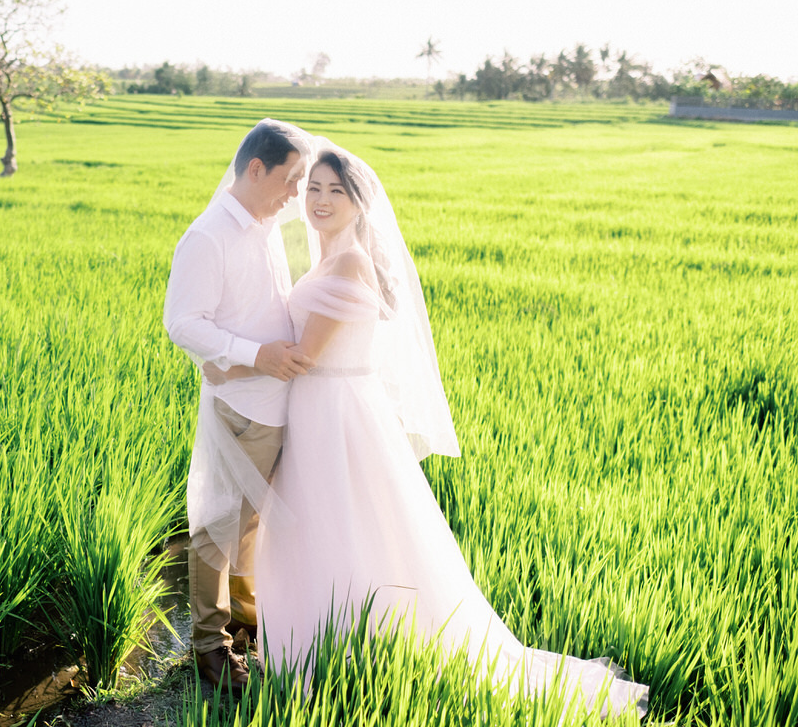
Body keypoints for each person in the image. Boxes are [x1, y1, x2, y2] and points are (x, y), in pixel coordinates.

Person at [204, 142, 650, 717]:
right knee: (324, 528)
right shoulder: (329, 258)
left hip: (337, 415)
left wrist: (229, 361)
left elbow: (305, 357)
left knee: (342, 527)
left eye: (336, 191)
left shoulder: (350, 263)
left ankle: (345, 652)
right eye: (313, 188)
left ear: (359, 203)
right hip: (320, 413)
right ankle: (320, 648)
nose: (319, 200)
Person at [163, 119, 315, 693]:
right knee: (219, 523)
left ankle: (246, 622)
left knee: (249, 522)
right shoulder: (208, 238)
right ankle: (211, 646)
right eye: (290, 178)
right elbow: (182, 324)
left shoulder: (265, 220)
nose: (295, 193)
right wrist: (254, 355)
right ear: (256, 169)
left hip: (276, 399)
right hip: (245, 402)